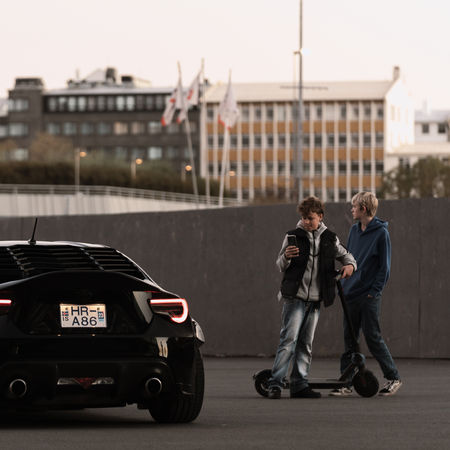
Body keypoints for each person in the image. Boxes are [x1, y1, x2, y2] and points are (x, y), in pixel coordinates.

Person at [267, 196, 356, 399]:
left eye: (311, 218)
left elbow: (347, 256)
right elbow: (279, 265)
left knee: (305, 344)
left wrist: (350, 266)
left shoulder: (330, 238)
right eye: (304, 218)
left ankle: (299, 384)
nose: (307, 222)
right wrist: (286, 257)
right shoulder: (292, 236)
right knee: (288, 341)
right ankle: (275, 384)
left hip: (315, 300)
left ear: (320, 217)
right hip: (295, 298)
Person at [330, 191, 402, 397]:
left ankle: (393, 377)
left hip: (369, 296)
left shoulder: (381, 234)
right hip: (350, 293)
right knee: (350, 340)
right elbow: (350, 258)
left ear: (363, 209)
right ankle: (346, 382)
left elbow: (384, 268)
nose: (351, 209)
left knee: (373, 337)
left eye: (354, 207)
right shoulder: (354, 230)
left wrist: (374, 292)